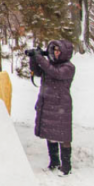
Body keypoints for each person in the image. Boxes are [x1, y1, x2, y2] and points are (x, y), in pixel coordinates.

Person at [28, 40, 75, 176]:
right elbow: (37, 72)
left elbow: (55, 73)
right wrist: (33, 58)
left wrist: (40, 58)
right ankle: (54, 162)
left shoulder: (68, 67)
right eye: (54, 50)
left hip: (61, 105)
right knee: (51, 134)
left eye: (58, 51)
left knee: (63, 136)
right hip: (48, 103)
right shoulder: (49, 65)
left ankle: (66, 166)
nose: (55, 53)